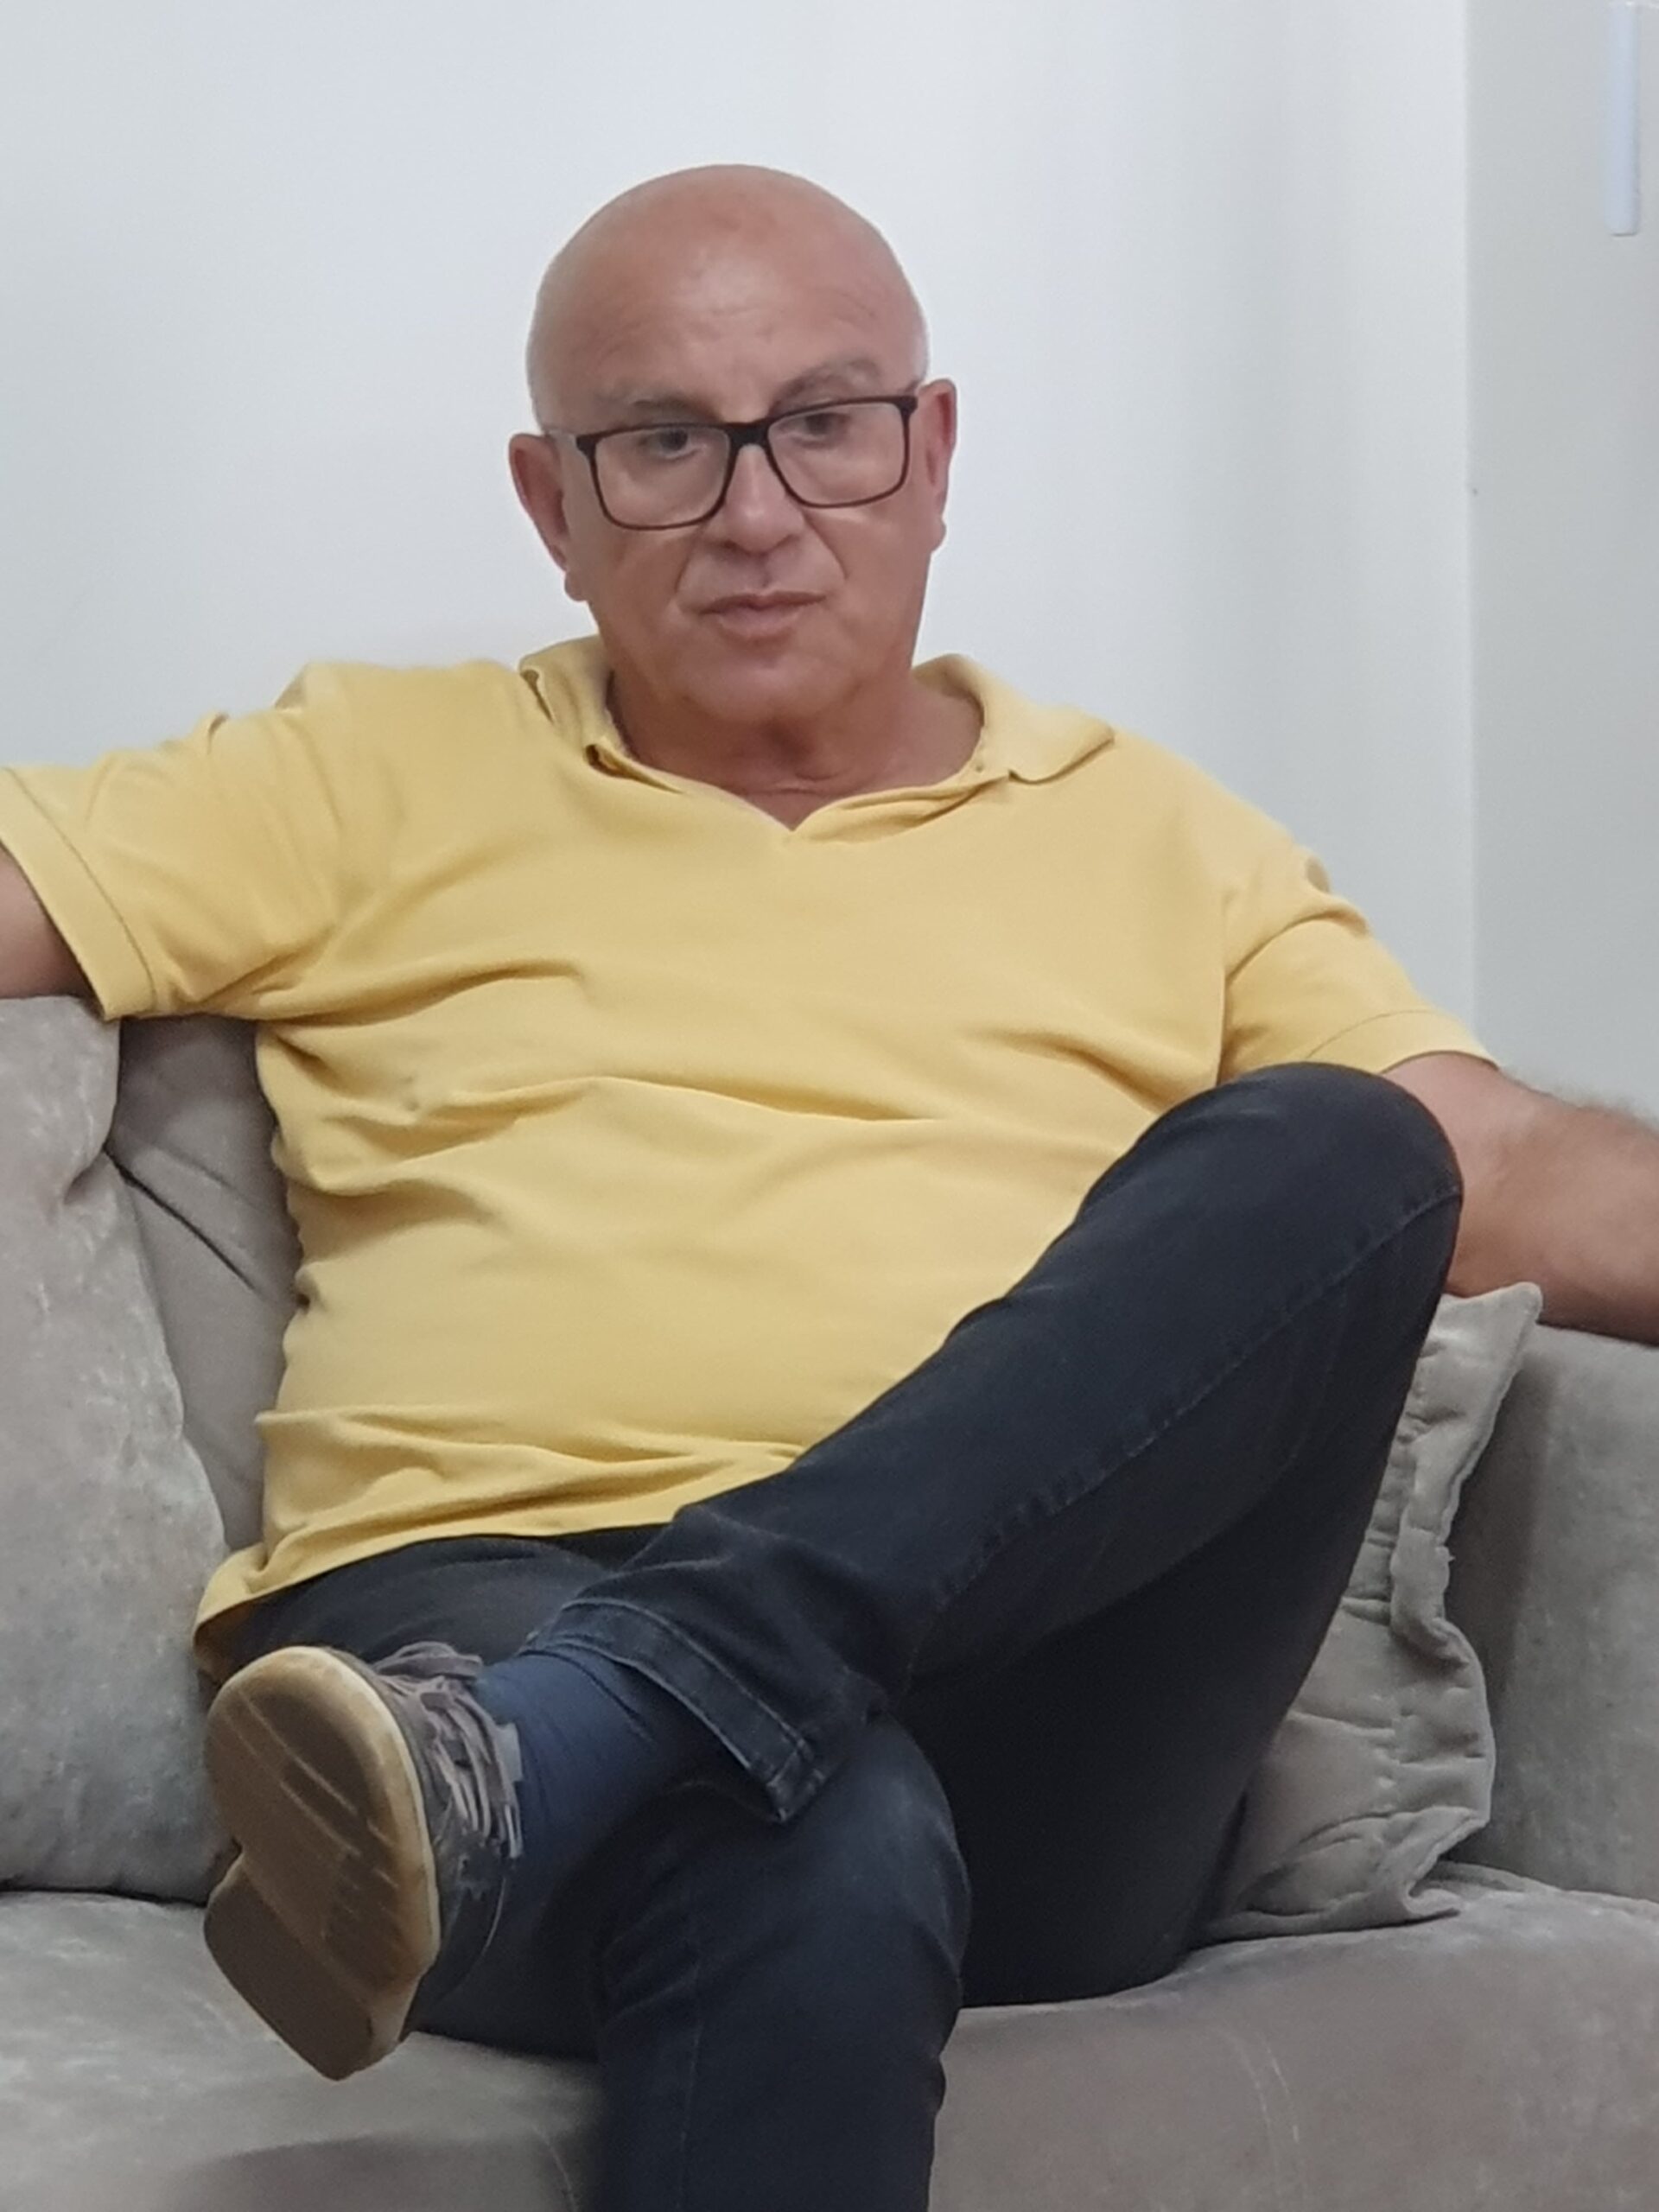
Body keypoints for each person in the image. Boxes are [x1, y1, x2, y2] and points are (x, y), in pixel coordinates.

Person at [0, 164, 1653, 2212]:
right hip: (476, 1611)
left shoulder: (1166, 841)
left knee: (1348, 1145)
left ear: (932, 449)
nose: (757, 510)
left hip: (999, 1714)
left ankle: (596, 1717)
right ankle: (599, 1712)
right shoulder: (364, 770)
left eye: (825, 423)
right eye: (664, 443)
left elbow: (1490, 1164)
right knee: (810, 1820)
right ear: (550, 502)